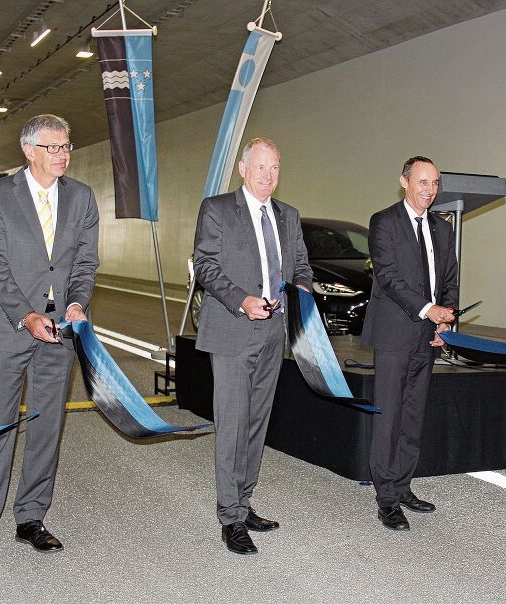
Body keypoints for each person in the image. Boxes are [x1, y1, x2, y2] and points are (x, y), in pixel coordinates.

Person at [0, 114, 100, 577]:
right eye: (53, 147)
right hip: (10, 328)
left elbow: (86, 261)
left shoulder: (81, 198)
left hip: (59, 334)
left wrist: (76, 303)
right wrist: (27, 315)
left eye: (66, 145)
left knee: (46, 428)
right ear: (29, 151)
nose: (62, 154)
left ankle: (31, 517)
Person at [193, 137, 313, 555]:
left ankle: (244, 504)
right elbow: (205, 266)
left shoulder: (288, 216)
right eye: (261, 167)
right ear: (243, 168)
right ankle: (229, 516)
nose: (268, 176)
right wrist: (242, 300)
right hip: (231, 330)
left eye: (275, 168)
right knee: (232, 423)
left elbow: (301, 265)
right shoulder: (217, 209)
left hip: (272, 332)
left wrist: (299, 290)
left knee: (257, 423)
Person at [360, 155, 458, 531]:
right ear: (404, 182)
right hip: (394, 332)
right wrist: (428, 309)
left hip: (427, 335)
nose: (429, 190)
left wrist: (447, 319)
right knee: (389, 416)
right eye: (422, 182)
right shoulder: (384, 222)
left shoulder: (442, 229)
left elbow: (449, 277)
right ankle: (385, 499)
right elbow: (388, 278)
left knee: (413, 416)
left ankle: (402, 486)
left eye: (434, 183)